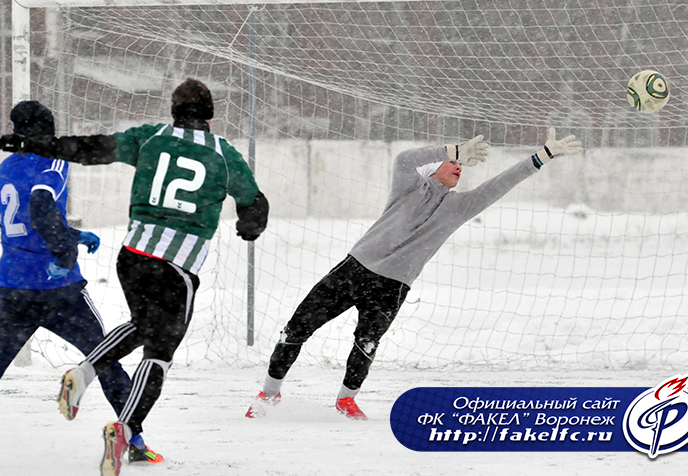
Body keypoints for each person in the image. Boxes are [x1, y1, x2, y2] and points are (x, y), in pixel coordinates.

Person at [0, 78, 269, 476]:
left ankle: (84, 372)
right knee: (158, 352)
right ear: (209, 116)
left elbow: (90, 148)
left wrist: (33, 144)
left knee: (143, 324)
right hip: (177, 264)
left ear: (173, 113)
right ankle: (123, 429)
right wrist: (250, 226)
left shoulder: (150, 138)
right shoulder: (223, 154)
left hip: (133, 256)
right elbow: (254, 202)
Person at [245, 128, 582, 421]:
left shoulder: (460, 207)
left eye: (461, 165)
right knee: (298, 327)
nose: (459, 167)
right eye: (453, 163)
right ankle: (268, 394)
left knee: (366, 343)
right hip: (355, 269)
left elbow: (501, 183)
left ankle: (346, 400)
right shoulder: (408, 186)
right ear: (434, 167)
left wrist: (542, 155)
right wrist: (453, 149)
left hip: (392, 286)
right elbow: (405, 159)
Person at [0, 101, 161, 465]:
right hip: (60, 292)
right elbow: (42, 208)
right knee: (106, 361)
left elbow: (26, 223)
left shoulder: (5, 168)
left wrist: (72, 234)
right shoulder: (53, 161)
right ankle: (136, 442)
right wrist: (65, 254)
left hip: (14, 289)